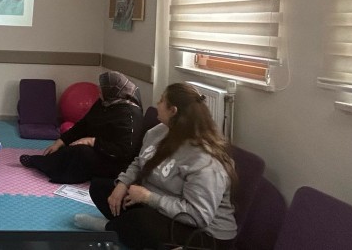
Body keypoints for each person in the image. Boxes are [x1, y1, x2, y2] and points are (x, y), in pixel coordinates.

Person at [74, 83, 238, 249]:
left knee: (140, 220)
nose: (157, 104)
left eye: (161, 100)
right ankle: (124, 230)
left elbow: (198, 216)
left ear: (173, 110)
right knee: (100, 188)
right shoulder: (158, 132)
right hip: (160, 206)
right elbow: (140, 161)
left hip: (204, 232)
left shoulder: (205, 160)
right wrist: (122, 184)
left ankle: (111, 229)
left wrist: (148, 197)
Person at [20, 71, 144, 183]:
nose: (98, 89)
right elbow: (84, 124)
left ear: (112, 90)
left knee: (80, 152)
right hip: (99, 148)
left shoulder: (130, 115)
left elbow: (124, 151)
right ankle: (45, 162)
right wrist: (61, 141)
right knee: (69, 147)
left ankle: (43, 164)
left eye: (102, 87)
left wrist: (92, 141)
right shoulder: (105, 102)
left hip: (116, 162)